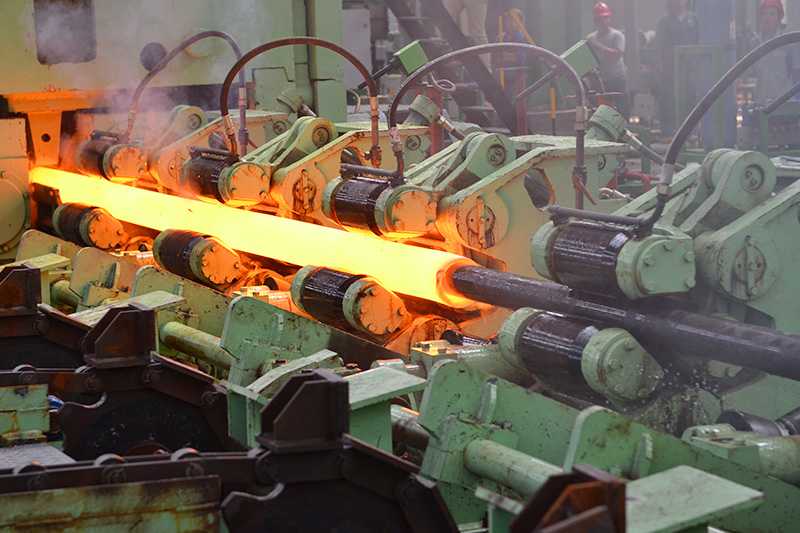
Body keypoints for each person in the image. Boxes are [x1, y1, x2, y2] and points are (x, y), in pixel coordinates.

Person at [655, 0, 699, 137]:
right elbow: (659, 47)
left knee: (691, 97)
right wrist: (661, 65)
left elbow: (699, 41)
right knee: (669, 99)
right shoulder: (664, 22)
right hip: (671, 70)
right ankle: (669, 132)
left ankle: (691, 131)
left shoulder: (694, 20)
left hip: (691, 69)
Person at [587, 2, 628, 117]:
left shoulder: (617, 35)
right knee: (602, 110)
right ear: (595, 21)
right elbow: (588, 59)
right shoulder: (591, 38)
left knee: (621, 109)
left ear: (609, 19)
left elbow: (616, 55)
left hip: (617, 78)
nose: (602, 21)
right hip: (600, 80)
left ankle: (624, 126)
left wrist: (598, 46)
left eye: (605, 18)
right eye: (599, 19)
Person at [752, 0, 793, 105]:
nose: (767, 18)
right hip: (760, 103)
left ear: (779, 18)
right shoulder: (755, 43)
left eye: (772, 14)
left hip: (783, 103)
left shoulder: (787, 42)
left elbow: (794, 73)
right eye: (764, 14)